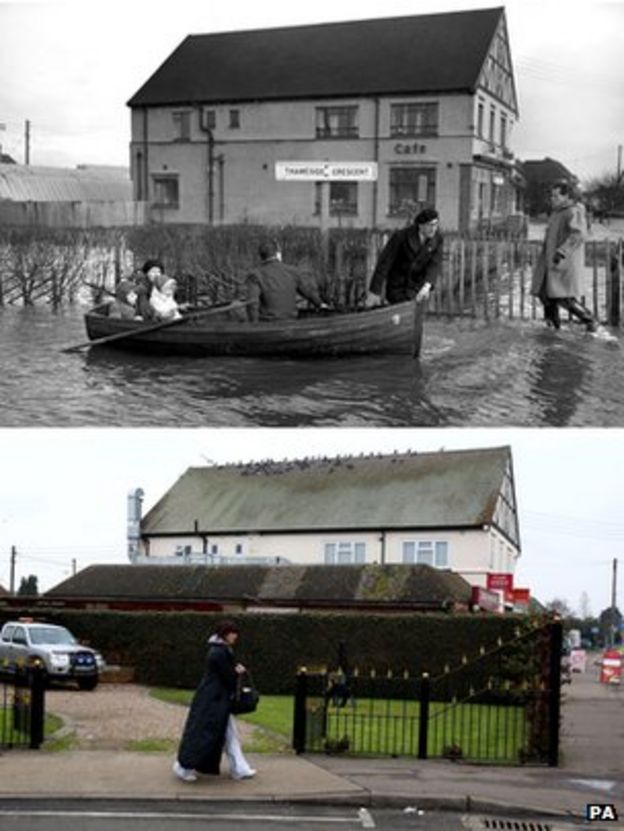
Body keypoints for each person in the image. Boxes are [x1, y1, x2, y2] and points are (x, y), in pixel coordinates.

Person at [173, 620, 256, 783]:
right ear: (226, 634)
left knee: (221, 734)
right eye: (233, 633)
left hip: (212, 699)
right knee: (206, 735)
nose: (235, 636)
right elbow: (228, 677)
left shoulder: (218, 650)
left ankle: (239, 768)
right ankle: (184, 767)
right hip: (214, 702)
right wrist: (238, 672)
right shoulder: (220, 652)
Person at [531, 181, 615, 341]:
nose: (552, 198)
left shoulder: (573, 211)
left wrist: (562, 251)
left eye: (557, 195)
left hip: (563, 261)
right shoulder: (557, 212)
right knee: (546, 295)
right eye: (552, 195)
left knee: (563, 297)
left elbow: (578, 234)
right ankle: (551, 329)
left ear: (567, 196)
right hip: (550, 261)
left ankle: (591, 322)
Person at [366, 207, 443, 306]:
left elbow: (434, 264)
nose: (434, 229)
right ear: (420, 225)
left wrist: (426, 286)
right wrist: (375, 292)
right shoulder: (401, 237)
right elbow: (384, 263)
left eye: (436, 224)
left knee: (416, 318)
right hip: (398, 288)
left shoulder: (437, 239)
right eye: (430, 225)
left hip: (418, 290)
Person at [245, 239, 328, 322]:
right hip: (291, 322)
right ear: (277, 254)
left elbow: (253, 304)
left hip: (268, 324)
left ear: (261, 256)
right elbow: (308, 291)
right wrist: (320, 303)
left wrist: (254, 325)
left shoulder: (255, 275)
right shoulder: (293, 271)